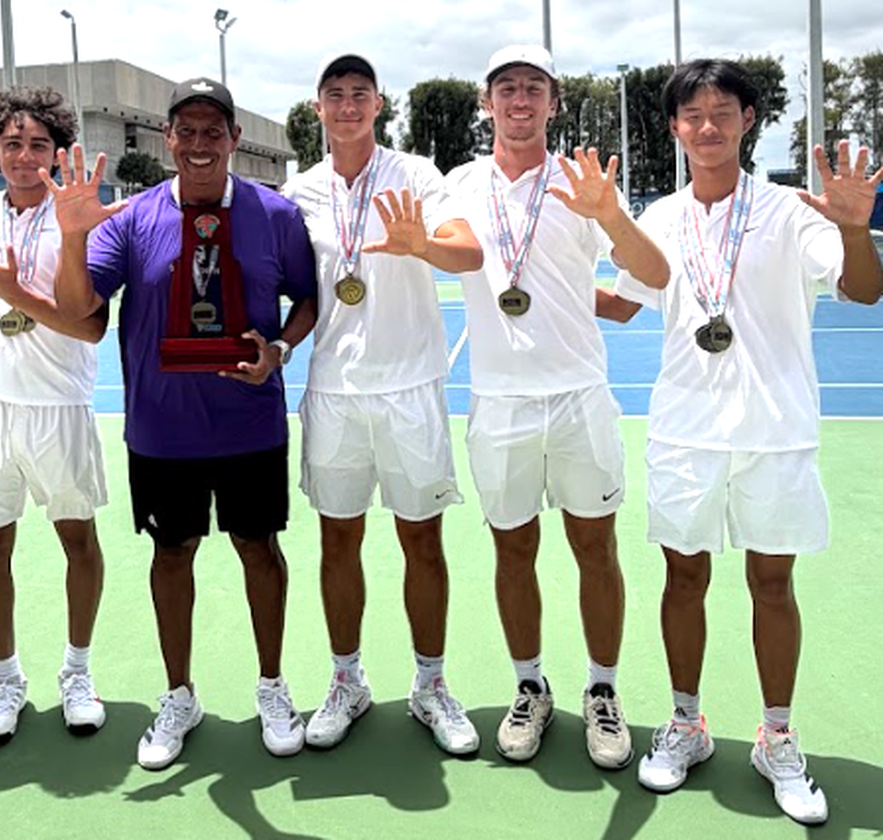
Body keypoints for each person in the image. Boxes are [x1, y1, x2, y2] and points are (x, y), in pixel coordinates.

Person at [611, 59, 883, 824]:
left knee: (772, 585)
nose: (706, 125)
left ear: (748, 120)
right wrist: (524, 272)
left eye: (721, 111)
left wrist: (855, 227)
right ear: (673, 127)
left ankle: (775, 735)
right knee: (684, 579)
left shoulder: (795, 212)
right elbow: (624, 305)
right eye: (691, 113)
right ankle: (688, 723)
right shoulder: (658, 218)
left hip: (774, 431)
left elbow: (863, 289)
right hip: (685, 433)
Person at [51, 77, 318, 770]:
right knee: (172, 554)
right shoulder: (132, 217)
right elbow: (80, 310)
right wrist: (75, 238)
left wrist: (281, 349)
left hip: (251, 422)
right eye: (186, 131)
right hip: (163, 430)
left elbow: (309, 301)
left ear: (234, 140)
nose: (200, 144)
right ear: (167, 140)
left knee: (259, 550)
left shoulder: (277, 215)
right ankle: (180, 695)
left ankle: (272, 685)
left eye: (213, 131)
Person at [444, 45, 670, 769]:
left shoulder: (580, 183)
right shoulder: (459, 185)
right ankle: (529, 687)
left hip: (579, 401)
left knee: (595, 549)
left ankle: (602, 692)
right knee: (513, 550)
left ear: (553, 102)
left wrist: (612, 220)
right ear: (487, 102)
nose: (519, 99)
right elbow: (461, 255)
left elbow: (651, 278)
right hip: (500, 404)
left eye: (533, 88)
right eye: (506, 87)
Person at [282, 54, 484, 755]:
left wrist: (420, 243)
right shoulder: (297, 190)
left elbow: (469, 254)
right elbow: (296, 290)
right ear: (317, 108)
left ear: (378, 105)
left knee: (421, 541)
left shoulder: (417, 175)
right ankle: (347, 680)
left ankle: (430, 685)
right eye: (334, 95)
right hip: (334, 391)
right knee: (338, 540)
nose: (347, 106)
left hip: (410, 389)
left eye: (359, 94)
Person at [0, 86, 110, 745]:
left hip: (57, 402)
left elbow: (88, 325)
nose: (24, 155)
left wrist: (11, 293)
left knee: (77, 539)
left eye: (38, 145)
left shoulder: (80, 214)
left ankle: (77, 672)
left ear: (57, 153)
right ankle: (6, 678)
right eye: (12, 144)